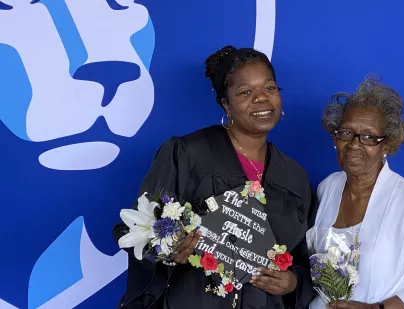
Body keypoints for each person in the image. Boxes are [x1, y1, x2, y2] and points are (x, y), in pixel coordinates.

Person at [113, 46, 317, 309]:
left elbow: (303, 258)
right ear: (226, 104)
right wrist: (169, 251)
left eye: (270, 88)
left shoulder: (294, 176)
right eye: (245, 92)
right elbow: (136, 228)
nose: (261, 99)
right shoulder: (189, 154)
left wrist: (293, 282)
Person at [310, 76, 404, 309]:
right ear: (335, 138)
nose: (355, 145)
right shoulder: (328, 187)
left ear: (386, 145)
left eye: (369, 137)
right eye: (346, 133)